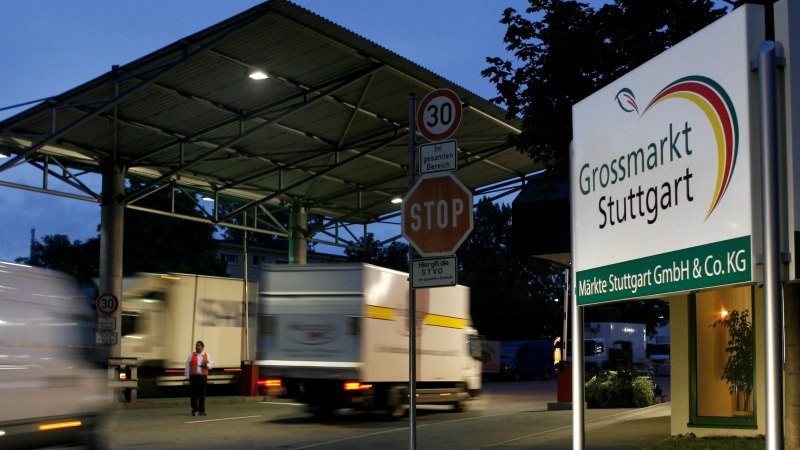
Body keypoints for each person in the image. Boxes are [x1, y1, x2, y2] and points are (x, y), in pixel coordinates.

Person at [184, 340, 212, 416]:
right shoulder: (191, 355)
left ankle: (201, 411)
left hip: (203, 377)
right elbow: (187, 366)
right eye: (196, 345)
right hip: (193, 377)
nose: (197, 347)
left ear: (202, 347)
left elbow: (211, 365)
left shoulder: (207, 355)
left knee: (202, 394)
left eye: (199, 345)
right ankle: (194, 410)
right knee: (193, 394)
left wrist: (206, 366)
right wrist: (187, 376)